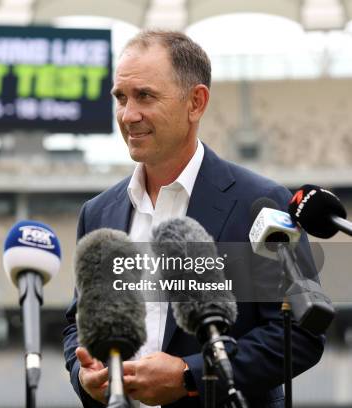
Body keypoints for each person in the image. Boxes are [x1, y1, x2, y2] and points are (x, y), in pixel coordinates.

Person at [62, 30, 324, 408]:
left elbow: (300, 335)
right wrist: (83, 373)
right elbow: (77, 323)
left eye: (145, 96)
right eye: (120, 98)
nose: (128, 114)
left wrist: (190, 376)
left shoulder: (263, 203)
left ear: (195, 102)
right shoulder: (97, 212)